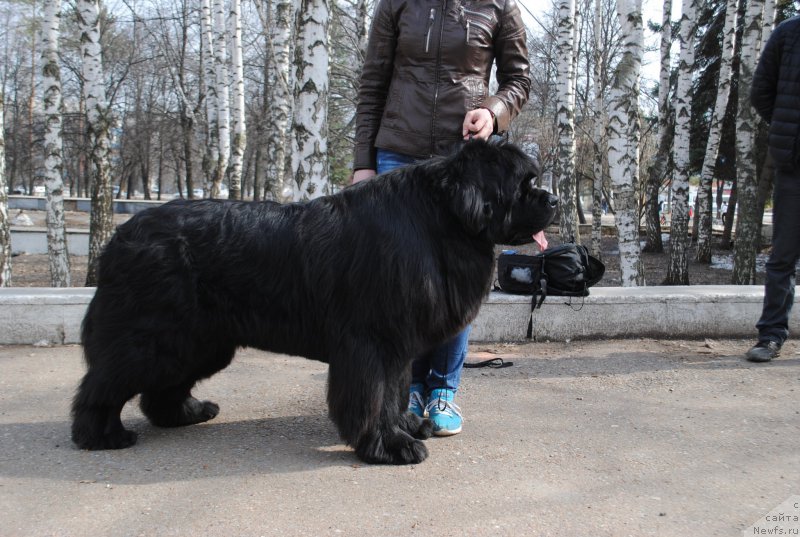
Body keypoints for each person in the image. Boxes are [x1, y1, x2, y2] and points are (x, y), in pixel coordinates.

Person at [351, 0, 531, 434]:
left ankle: (442, 391)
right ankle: (406, 387)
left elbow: (519, 79)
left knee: (458, 278)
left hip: (462, 161)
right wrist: (364, 161)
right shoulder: (396, 4)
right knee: (397, 284)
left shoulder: (498, 5)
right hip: (397, 155)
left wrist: (492, 111)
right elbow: (373, 82)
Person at [745, 14, 800, 362]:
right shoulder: (788, 33)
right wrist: (786, 132)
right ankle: (771, 336)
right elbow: (761, 92)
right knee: (782, 257)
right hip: (794, 165)